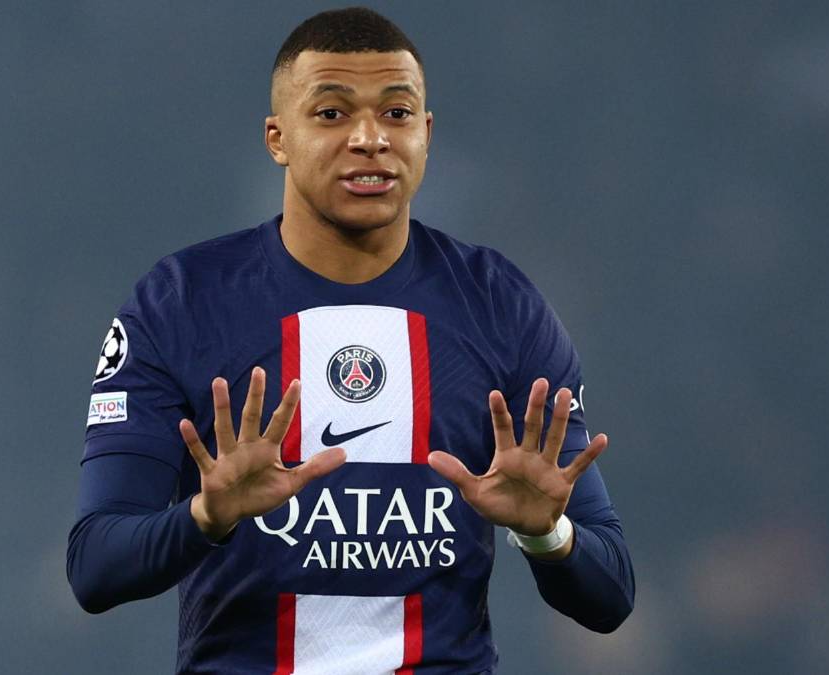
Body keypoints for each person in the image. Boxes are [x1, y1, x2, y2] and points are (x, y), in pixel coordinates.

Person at [67, 7, 634, 673]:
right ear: (277, 138)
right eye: (332, 113)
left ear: (425, 134)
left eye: (396, 113)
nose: (370, 138)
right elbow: (95, 566)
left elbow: (610, 594)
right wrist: (205, 515)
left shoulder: (500, 306)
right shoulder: (180, 304)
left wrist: (546, 533)